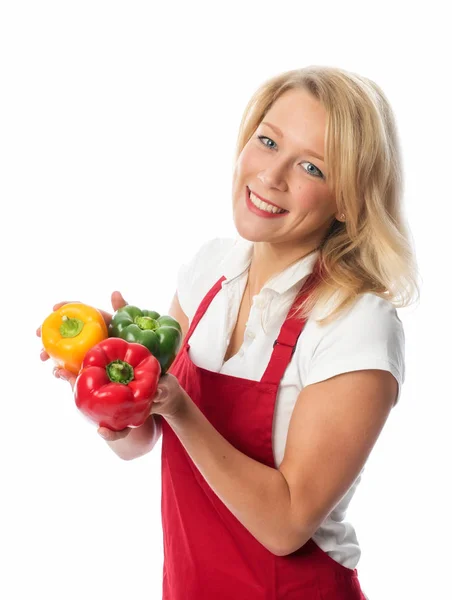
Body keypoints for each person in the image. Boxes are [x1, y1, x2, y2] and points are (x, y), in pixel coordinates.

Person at [38, 65, 419, 599]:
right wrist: (112, 383)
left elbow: (287, 524)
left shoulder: (357, 324)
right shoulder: (209, 270)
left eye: (311, 167)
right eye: (268, 142)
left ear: (350, 201)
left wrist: (177, 405)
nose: (271, 176)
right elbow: (143, 441)